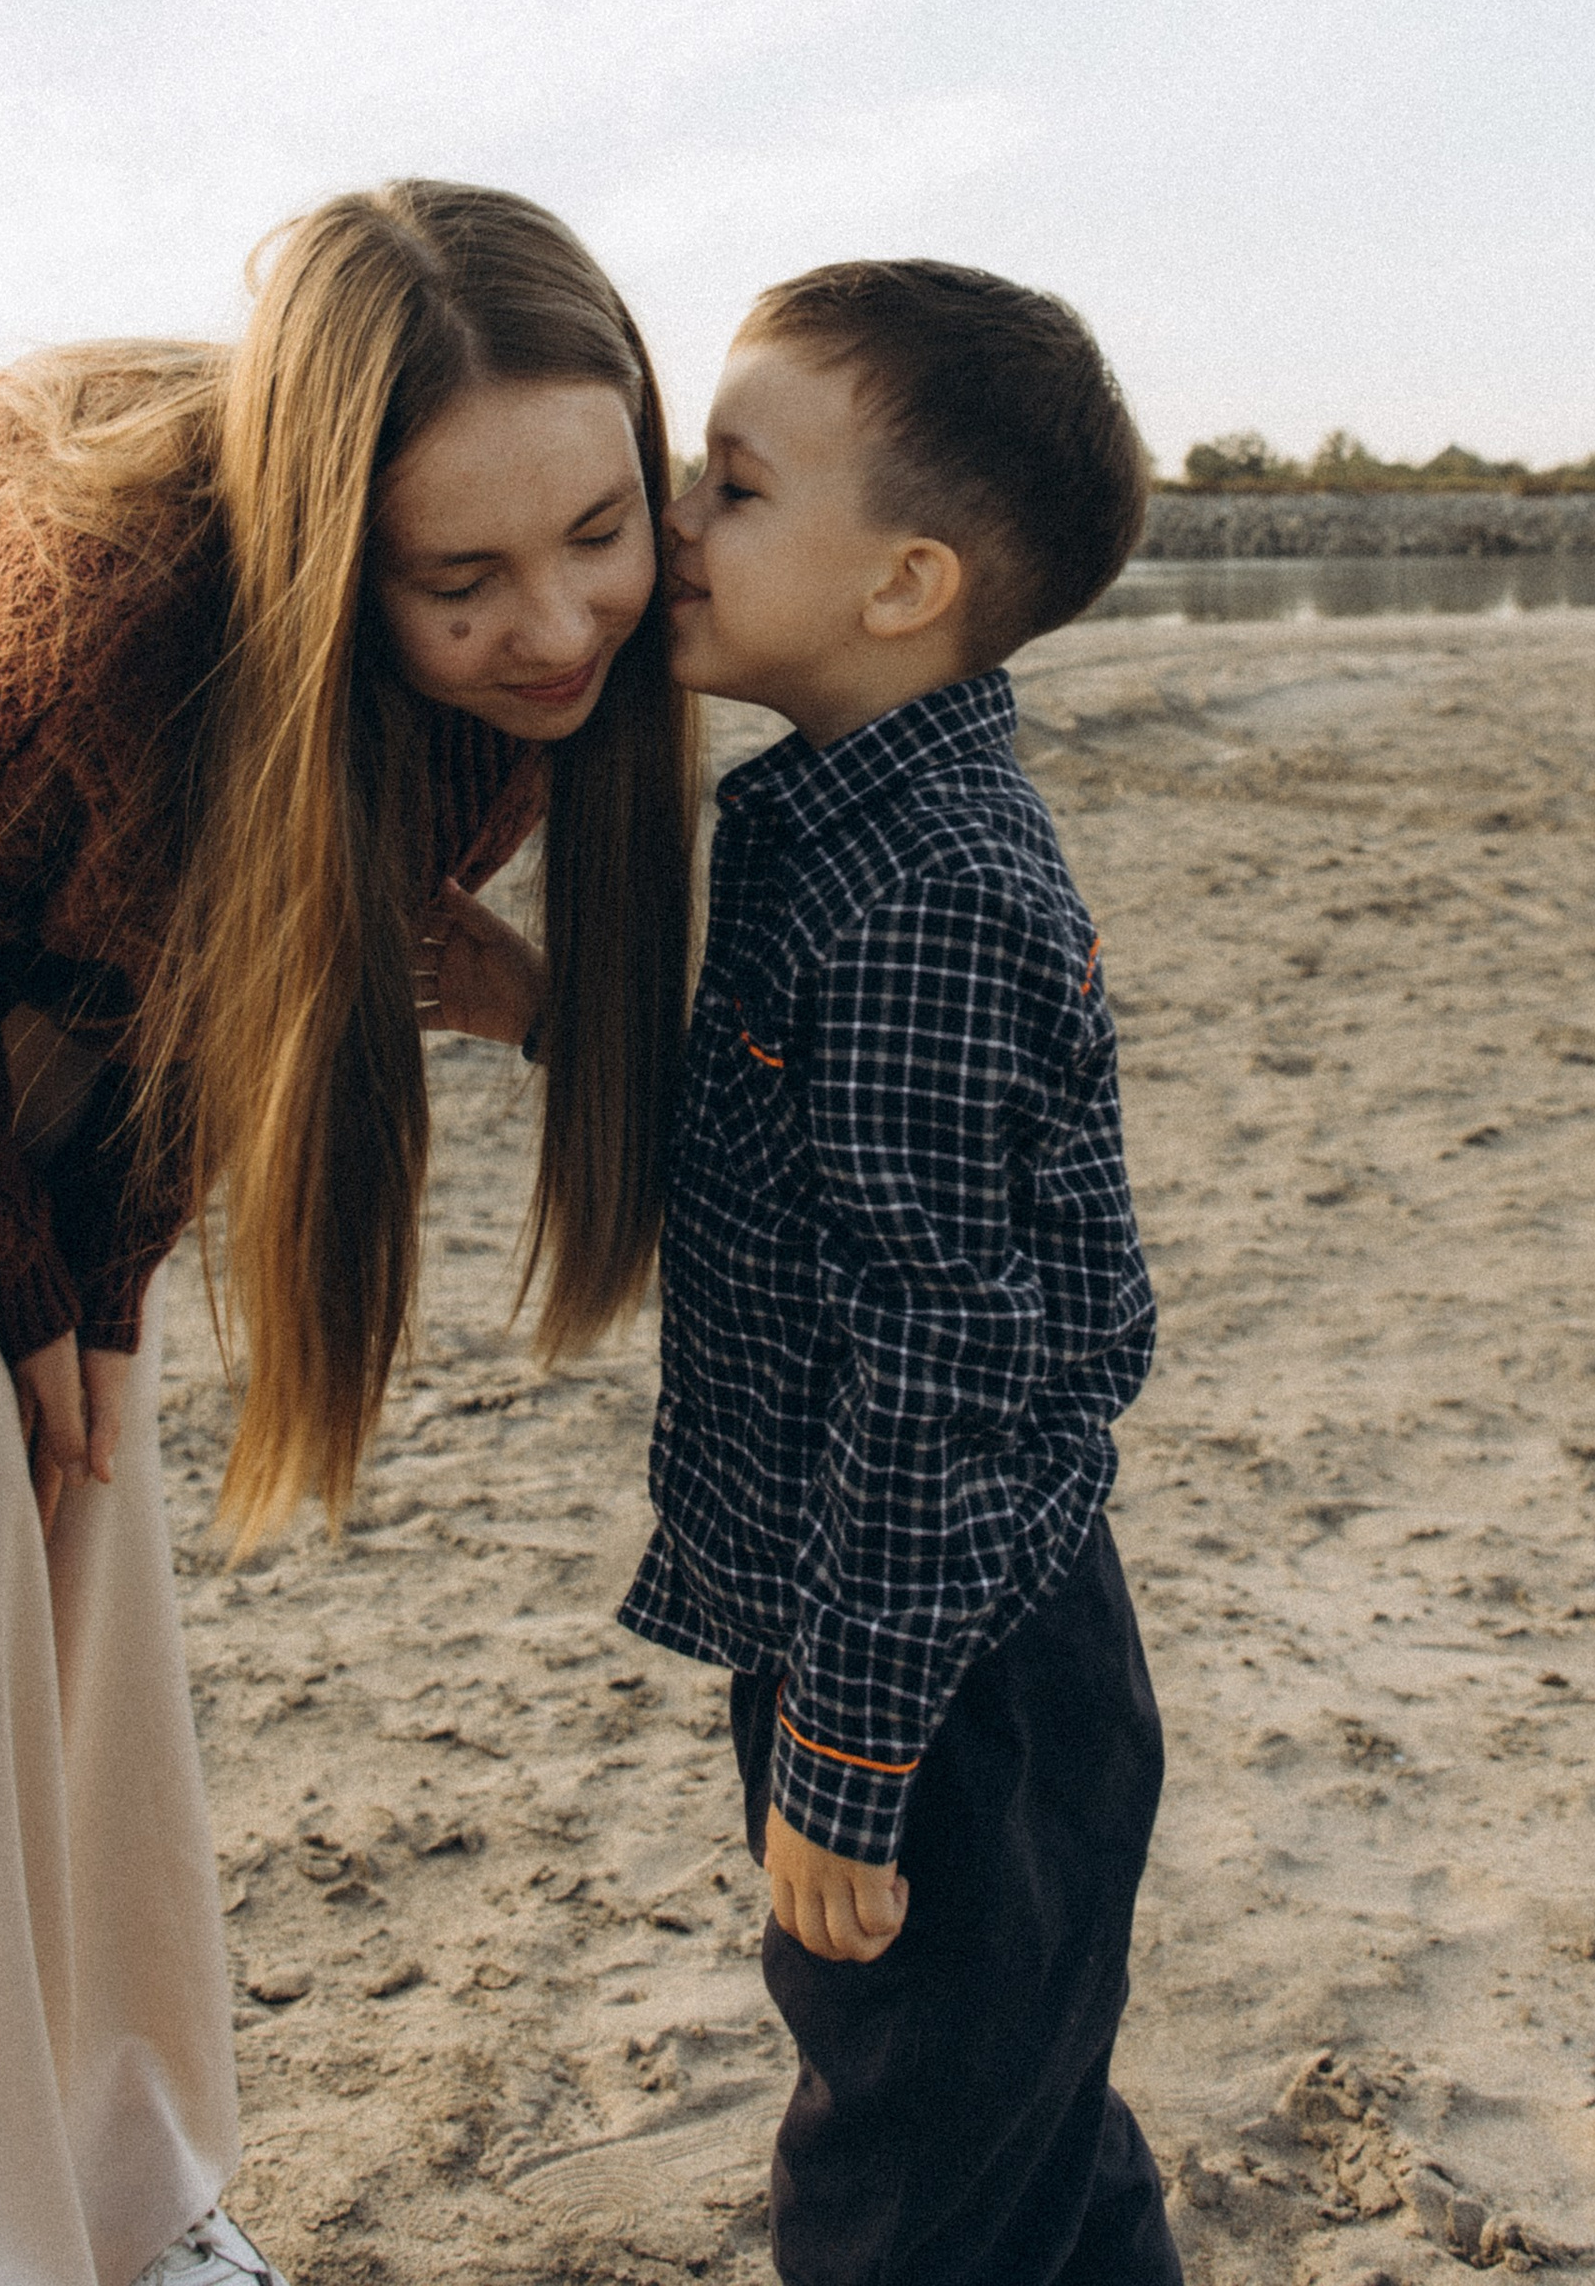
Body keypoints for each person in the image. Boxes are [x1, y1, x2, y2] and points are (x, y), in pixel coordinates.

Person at [0, 182, 696, 2286]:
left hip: (48, 906)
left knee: (76, 1484)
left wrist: (93, 1298)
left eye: (598, 537)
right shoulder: (86, 644)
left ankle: (117, 2183)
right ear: (319, 544)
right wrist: (24, 1283)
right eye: (456, 579)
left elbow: (201, 985)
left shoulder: (512, 680)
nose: (552, 628)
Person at [619, 258, 1177, 2286]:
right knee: (1019, 2130)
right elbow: (811, 1172)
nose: (670, 521)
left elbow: (935, 1369)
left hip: (941, 1672)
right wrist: (535, 1010)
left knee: (910, 2185)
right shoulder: (854, 832)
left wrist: (846, 1768)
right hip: (920, 1616)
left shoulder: (930, 890)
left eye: (734, 488)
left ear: (903, 583)